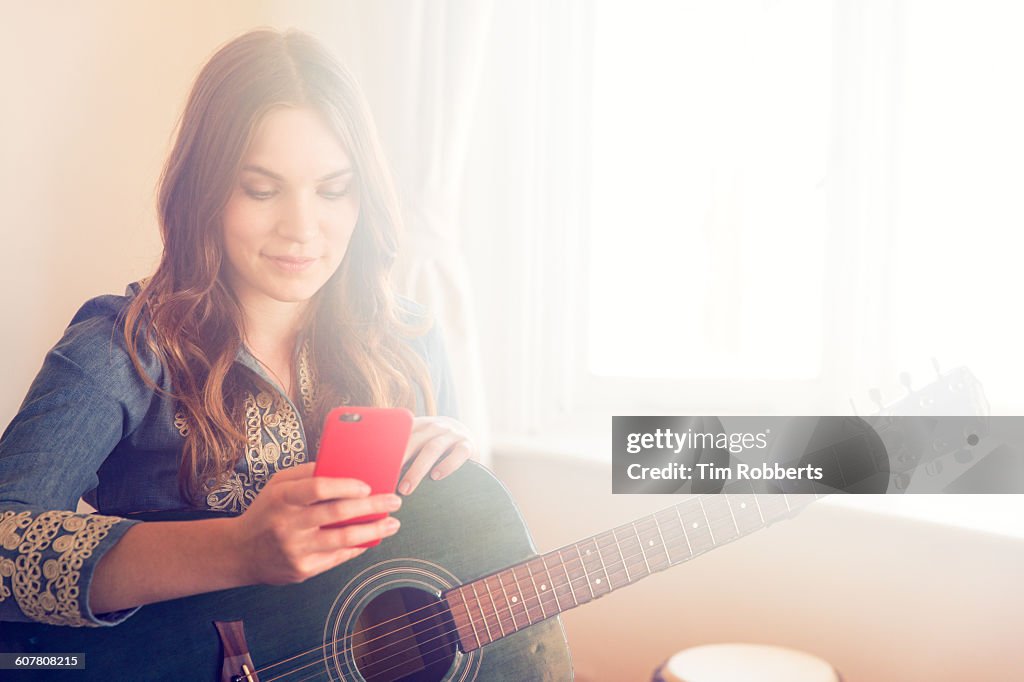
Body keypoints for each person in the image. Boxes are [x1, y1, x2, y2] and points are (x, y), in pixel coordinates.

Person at [0, 28, 475, 627]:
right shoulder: (120, 350)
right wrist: (237, 550)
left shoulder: (408, 338)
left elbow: (458, 568)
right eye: (261, 189)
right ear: (204, 192)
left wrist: (463, 476)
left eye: (334, 190)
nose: (302, 227)